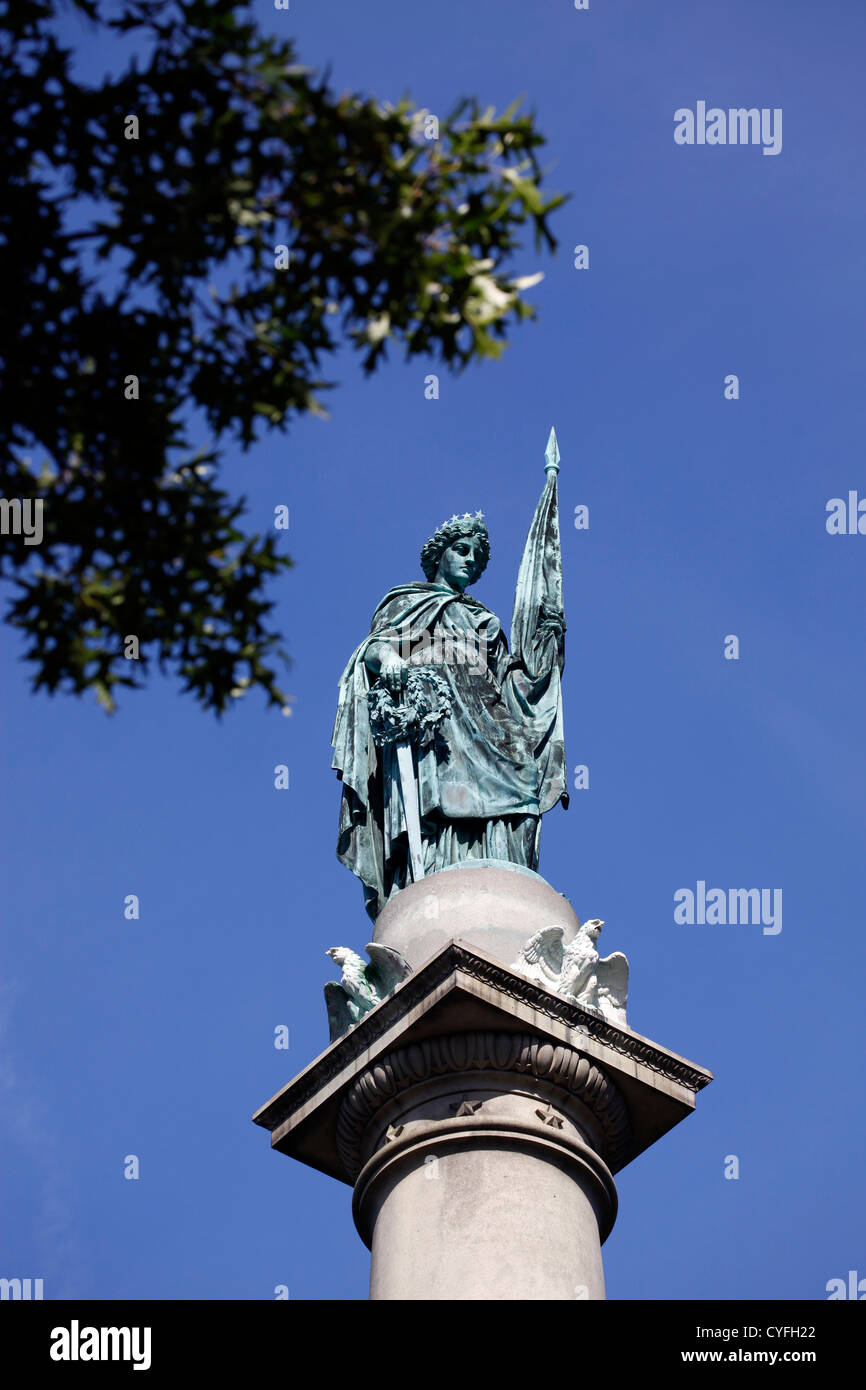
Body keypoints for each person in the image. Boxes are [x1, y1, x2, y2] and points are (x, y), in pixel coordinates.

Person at [332, 510, 567, 921]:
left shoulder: (484, 620)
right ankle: (439, 877)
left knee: (527, 784)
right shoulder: (407, 602)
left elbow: (514, 685)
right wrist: (388, 657)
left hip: (487, 717)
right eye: (461, 550)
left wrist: (545, 647)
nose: (469, 561)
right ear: (439, 555)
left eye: (476, 557)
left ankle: (505, 878)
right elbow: (374, 648)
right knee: (441, 803)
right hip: (437, 722)